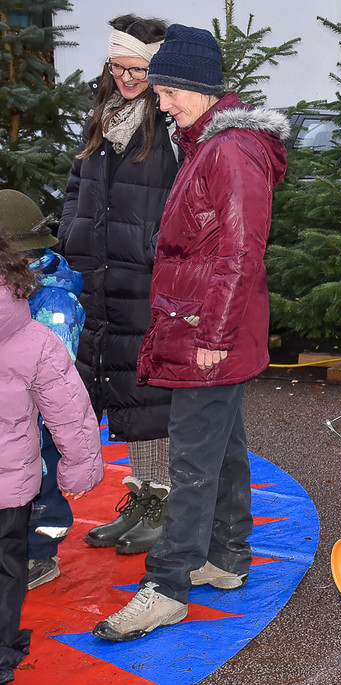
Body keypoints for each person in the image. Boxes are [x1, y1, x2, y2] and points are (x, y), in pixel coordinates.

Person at [92, 23, 289, 642]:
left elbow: (238, 254)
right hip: (204, 323)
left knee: (192, 458)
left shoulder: (228, 152)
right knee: (222, 446)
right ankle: (227, 559)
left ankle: (167, 585)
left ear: (201, 89)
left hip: (209, 329)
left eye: (169, 91)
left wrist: (213, 334)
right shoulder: (209, 141)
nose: (160, 102)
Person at [58, 14, 181, 557]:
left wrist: (159, 253)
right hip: (101, 274)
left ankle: (166, 503)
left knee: (150, 392)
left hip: (144, 274)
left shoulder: (168, 124)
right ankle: (143, 497)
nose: (128, 78)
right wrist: (71, 234)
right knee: (124, 390)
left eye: (139, 69)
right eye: (119, 67)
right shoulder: (103, 117)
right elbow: (74, 184)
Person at [0, 222, 104, 685]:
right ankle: (2, 653)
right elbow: (69, 407)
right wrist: (80, 467)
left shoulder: (49, 318)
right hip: (10, 481)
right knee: (7, 563)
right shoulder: (34, 337)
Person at [0, 189, 87, 590]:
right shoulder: (16, 284)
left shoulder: (53, 301)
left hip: (39, 419)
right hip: (12, 418)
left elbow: (55, 375)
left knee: (42, 493)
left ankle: (40, 554)